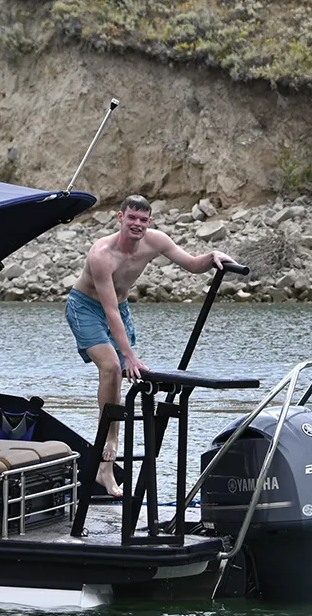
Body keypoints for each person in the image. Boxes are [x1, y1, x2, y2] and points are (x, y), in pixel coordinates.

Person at [65, 194, 235, 497]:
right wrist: (129, 355)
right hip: (87, 307)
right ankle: (109, 446)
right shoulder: (102, 254)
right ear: (120, 218)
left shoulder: (155, 241)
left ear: (150, 222)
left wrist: (213, 257)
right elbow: (109, 311)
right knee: (113, 367)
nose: (137, 224)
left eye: (143, 220)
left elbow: (193, 265)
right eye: (132, 218)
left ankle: (107, 463)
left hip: (120, 308)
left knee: (121, 372)